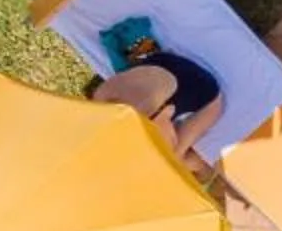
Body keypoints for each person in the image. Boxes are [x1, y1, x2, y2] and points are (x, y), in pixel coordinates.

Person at [92, 47, 227, 163]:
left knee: (173, 155)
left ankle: (195, 164)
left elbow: (170, 142)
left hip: (204, 93)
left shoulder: (152, 116)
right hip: (161, 62)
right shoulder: (104, 98)